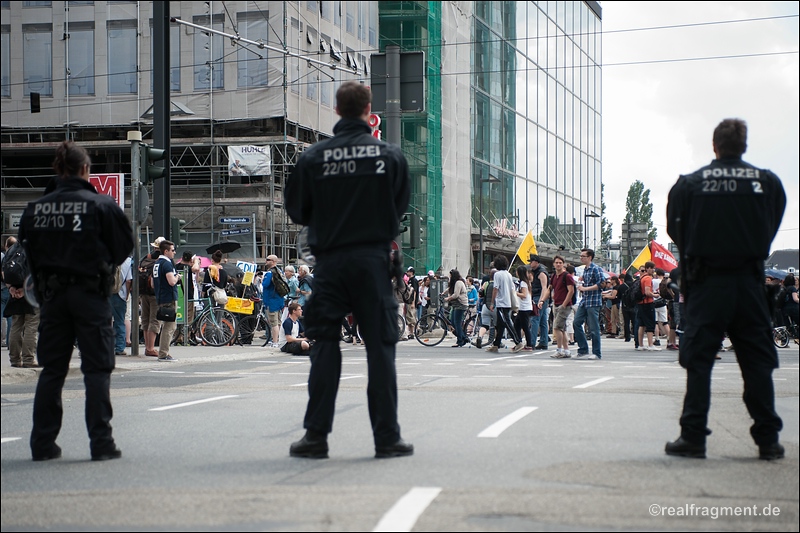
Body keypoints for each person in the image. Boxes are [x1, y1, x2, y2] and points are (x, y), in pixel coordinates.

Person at [285, 81, 413, 459]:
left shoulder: (313, 158)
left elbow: (296, 211)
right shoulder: (389, 156)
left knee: (324, 345)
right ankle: (387, 438)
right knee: (380, 349)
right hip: (374, 262)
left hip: (330, 263)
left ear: (337, 111)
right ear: (368, 109)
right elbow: (399, 206)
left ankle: (316, 437)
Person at [665, 118, 786, 461]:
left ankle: (693, 437)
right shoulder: (767, 182)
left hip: (706, 283)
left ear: (714, 146)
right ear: (744, 146)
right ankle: (768, 440)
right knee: (757, 363)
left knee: (699, 362)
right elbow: (772, 223)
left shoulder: (689, 184)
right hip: (750, 283)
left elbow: (676, 229)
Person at [19, 140, 134, 462]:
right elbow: (123, 247)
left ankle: (42, 444)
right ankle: (101, 443)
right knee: (96, 368)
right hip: (90, 294)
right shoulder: (101, 204)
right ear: (85, 170)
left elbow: (27, 254)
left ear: (58, 169)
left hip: (52, 297)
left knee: (52, 370)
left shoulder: (34, 209)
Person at [485, 255, 523, 353]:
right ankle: (496, 344)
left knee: (506, 322)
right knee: (500, 324)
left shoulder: (497, 274)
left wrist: (492, 303)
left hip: (501, 302)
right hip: (508, 301)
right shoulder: (508, 274)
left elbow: (495, 288)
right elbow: (512, 288)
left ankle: (518, 342)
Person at [539, 255, 575, 358]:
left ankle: (559, 350)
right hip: (556, 304)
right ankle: (566, 351)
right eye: (556, 263)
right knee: (561, 329)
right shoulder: (554, 276)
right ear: (554, 264)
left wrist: (564, 305)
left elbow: (571, 291)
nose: (558, 264)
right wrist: (542, 300)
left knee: (557, 327)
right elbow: (549, 289)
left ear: (563, 264)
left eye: (560, 262)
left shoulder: (567, 276)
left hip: (564, 305)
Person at [572, 248, 604, 359]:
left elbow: (601, 284)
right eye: (580, 256)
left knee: (594, 328)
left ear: (589, 257)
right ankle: (583, 348)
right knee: (576, 322)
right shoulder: (585, 270)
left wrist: (586, 288)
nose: (581, 258)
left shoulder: (596, 269)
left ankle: (596, 352)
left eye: (583, 256)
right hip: (585, 300)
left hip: (594, 301)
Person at [153, 240, 180, 362]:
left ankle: (163, 352)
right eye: (173, 250)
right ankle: (163, 353)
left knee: (166, 325)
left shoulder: (157, 263)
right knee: (170, 327)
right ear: (166, 251)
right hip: (169, 297)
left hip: (160, 296)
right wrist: (178, 277)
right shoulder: (167, 264)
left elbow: (153, 283)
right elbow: (172, 281)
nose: (174, 252)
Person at [261, 254, 286, 348]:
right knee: (278, 322)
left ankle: (275, 342)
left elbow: (265, 285)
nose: (266, 261)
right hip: (279, 300)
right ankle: (278, 340)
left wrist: (263, 279)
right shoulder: (280, 271)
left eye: (268, 260)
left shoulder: (270, 273)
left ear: (273, 261)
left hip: (271, 301)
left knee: (273, 323)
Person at [110, 255, 133, 356]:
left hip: (106, 293)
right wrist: (127, 294)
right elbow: (129, 280)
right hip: (120, 294)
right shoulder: (128, 261)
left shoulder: (107, 258)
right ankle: (119, 347)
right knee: (120, 321)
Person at [636, 262, 661, 351]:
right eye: (653, 268)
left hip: (640, 303)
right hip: (647, 303)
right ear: (648, 268)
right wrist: (655, 295)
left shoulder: (641, 277)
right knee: (650, 324)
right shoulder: (647, 278)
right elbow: (647, 292)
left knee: (642, 324)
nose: (653, 270)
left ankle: (641, 345)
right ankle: (650, 344)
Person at [527, 254, 550, 349]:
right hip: (539, 297)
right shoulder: (537, 272)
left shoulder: (541, 273)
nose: (530, 263)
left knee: (535, 319)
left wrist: (541, 300)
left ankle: (532, 342)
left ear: (536, 262)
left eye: (531, 261)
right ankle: (543, 342)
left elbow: (544, 288)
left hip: (540, 297)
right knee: (543, 321)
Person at [444, 268, 469, 347]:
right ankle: (463, 337)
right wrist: (443, 293)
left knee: (457, 323)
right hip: (456, 305)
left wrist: (448, 298)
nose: (450, 277)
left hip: (461, 304)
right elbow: (449, 289)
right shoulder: (455, 283)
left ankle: (460, 341)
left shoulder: (458, 282)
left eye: (450, 276)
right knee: (454, 322)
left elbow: (456, 294)